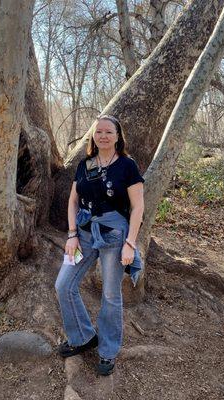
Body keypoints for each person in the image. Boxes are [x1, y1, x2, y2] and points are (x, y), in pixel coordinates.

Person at [54, 114, 145, 376]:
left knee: (110, 294)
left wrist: (130, 243)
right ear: (93, 136)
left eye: (108, 132)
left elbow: (138, 207)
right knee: (63, 285)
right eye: (98, 132)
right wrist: (71, 234)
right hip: (83, 233)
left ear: (117, 136)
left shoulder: (127, 166)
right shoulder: (85, 164)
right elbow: (73, 201)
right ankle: (83, 337)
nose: (103, 136)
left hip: (115, 235)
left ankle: (107, 351)